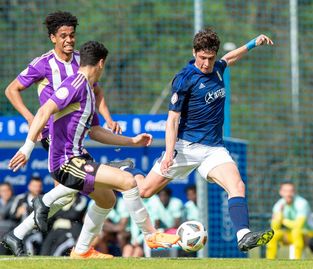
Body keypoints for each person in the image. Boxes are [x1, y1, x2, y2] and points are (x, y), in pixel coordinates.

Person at [6, 40, 178, 259]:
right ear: (101, 63)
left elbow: (96, 132)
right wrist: (26, 148)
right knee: (128, 181)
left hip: (78, 157)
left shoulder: (87, 90)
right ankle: (151, 235)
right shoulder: (74, 84)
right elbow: (44, 111)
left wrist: (131, 141)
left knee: (107, 199)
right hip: (65, 162)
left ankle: (81, 250)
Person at [133, 28, 275, 252]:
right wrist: (169, 153)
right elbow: (172, 120)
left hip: (214, 150)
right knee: (144, 191)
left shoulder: (218, 68)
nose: (206, 64)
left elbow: (229, 58)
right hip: (185, 148)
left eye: (210, 58)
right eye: (202, 58)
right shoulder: (184, 79)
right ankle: (134, 176)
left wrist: (252, 43)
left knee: (237, 185)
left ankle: (243, 235)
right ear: (194, 52)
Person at [2, 11, 123, 255]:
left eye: (72, 35)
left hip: (75, 135)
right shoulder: (43, 64)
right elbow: (11, 89)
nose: (69, 40)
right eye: (63, 36)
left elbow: (96, 92)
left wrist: (108, 118)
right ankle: (77, 249)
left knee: (81, 194)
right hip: (53, 135)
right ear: (53, 38)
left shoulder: (83, 61)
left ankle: (18, 234)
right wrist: (29, 118)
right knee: (75, 186)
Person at [266, 182, 313, 259]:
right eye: (285, 191)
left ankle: (297, 261)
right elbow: (274, 226)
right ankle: (270, 261)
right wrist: (280, 214)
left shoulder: (302, 203)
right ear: (281, 192)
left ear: (294, 192)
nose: (288, 194)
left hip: (309, 233)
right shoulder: (278, 205)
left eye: (291, 191)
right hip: (291, 234)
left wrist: (282, 220)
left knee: (296, 232)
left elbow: (299, 225)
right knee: (272, 235)